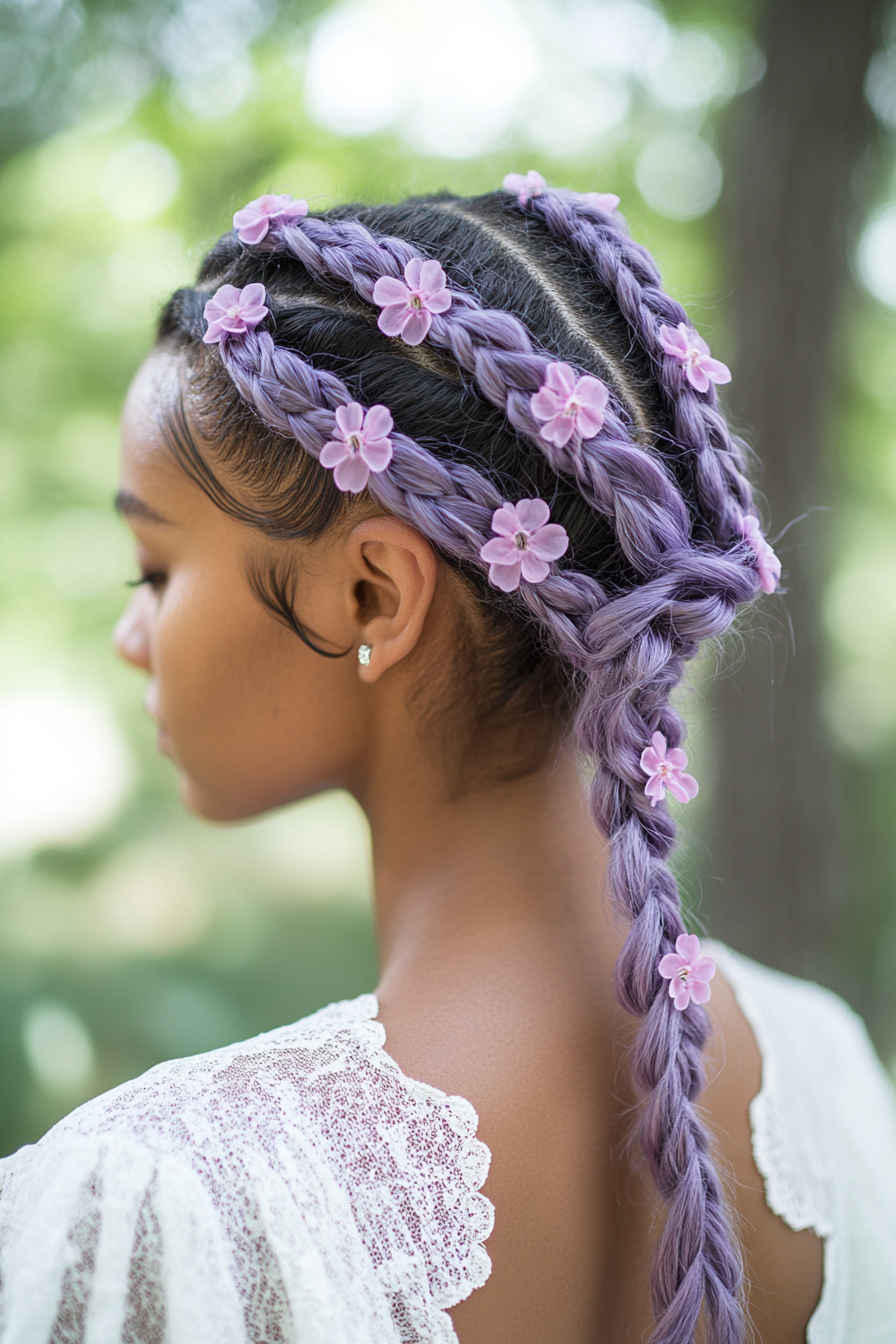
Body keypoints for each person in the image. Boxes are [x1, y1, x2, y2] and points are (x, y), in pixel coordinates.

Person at [1, 175, 894, 1344]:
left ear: (373, 592)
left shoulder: (159, 1204)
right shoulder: (822, 1072)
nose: (133, 638)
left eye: (156, 569)